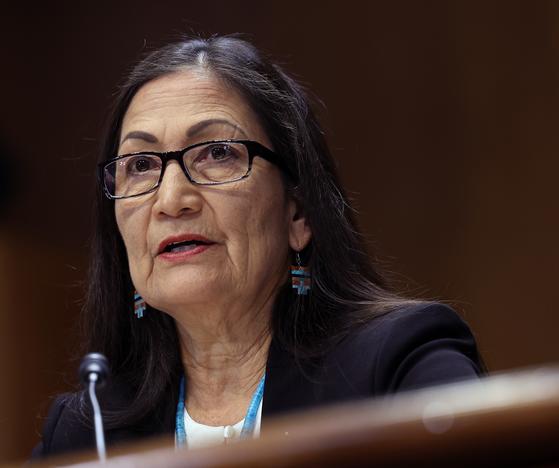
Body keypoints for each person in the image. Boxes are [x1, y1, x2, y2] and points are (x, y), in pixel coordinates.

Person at [31, 34, 484, 458]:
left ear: (298, 214)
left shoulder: (398, 364)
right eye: (141, 165)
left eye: (218, 153)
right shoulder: (85, 431)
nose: (171, 201)